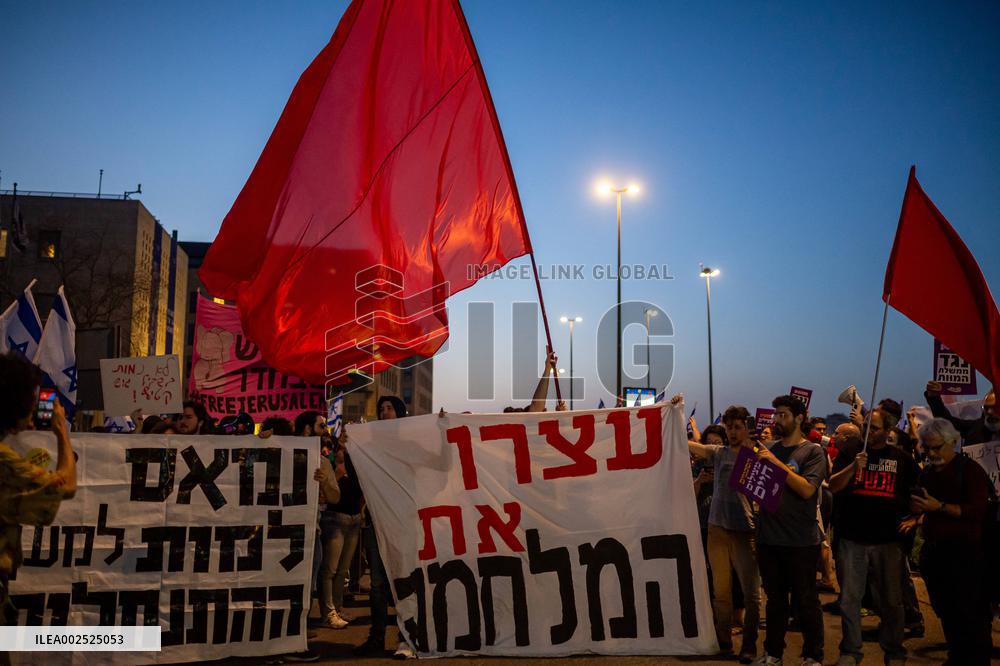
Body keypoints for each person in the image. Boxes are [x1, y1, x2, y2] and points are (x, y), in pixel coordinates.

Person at [828, 407, 917, 666]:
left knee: (891, 601)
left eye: (874, 428)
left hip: (888, 541)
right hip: (852, 539)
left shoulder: (901, 459)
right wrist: (853, 467)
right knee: (850, 599)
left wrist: (916, 519)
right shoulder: (850, 453)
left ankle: (894, 651)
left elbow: (920, 491)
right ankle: (851, 651)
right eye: (865, 426)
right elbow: (833, 486)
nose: (867, 431)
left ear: (888, 430)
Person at [0, 353, 78, 633]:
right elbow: (65, 486)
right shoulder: (4, 460)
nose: (35, 408)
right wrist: (61, 432)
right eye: (31, 401)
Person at [908, 418, 993, 665]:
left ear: (953, 442)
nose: (931, 453)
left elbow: (976, 510)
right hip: (936, 554)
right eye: (926, 447)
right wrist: (917, 508)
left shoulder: (970, 470)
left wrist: (939, 507)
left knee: (970, 615)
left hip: (965, 555)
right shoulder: (928, 473)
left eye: (936, 447)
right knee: (947, 612)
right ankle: (957, 656)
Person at [751, 395, 827, 666]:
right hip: (769, 538)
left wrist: (774, 463)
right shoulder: (769, 448)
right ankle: (773, 653)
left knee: (806, 600)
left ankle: (812, 655)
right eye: (776, 414)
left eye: (783, 415)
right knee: (775, 602)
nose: (777, 419)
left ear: (799, 418)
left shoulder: (813, 452)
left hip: (801, 541)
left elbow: (807, 490)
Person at [684, 401, 760, 664]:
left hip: (744, 530)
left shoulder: (757, 456)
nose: (733, 432)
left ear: (747, 428)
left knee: (751, 593)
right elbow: (693, 446)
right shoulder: (719, 453)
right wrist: (670, 419)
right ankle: (724, 641)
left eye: (738, 427)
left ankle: (749, 645)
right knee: (721, 591)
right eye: (729, 428)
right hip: (717, 528)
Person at [355, 395, 414, 658]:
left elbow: (439, 464)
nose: (384, 412)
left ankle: (408, 638)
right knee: (378, 584)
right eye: (381, 409)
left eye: (389, 408)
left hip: (402, 522)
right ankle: (376, 638)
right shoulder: (371, 447)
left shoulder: (409, 446)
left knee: (403, 581)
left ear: (400, 413)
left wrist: (441, 428)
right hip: (376, 523)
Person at [319, 436, 362, 631]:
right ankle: (328, 613)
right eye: (342, 445)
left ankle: (337, 608)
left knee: (343, 570)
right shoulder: (328, 465)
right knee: (330, 569)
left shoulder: (356, 466)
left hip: (354, 520)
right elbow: (326, 493)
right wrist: (336, 475)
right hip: (334, 520)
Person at [924, 381, 998, 446]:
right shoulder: (974, 428)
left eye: (995, 408)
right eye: (987, 408)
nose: (990, 412)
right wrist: (934, 398)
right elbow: (945, 421)